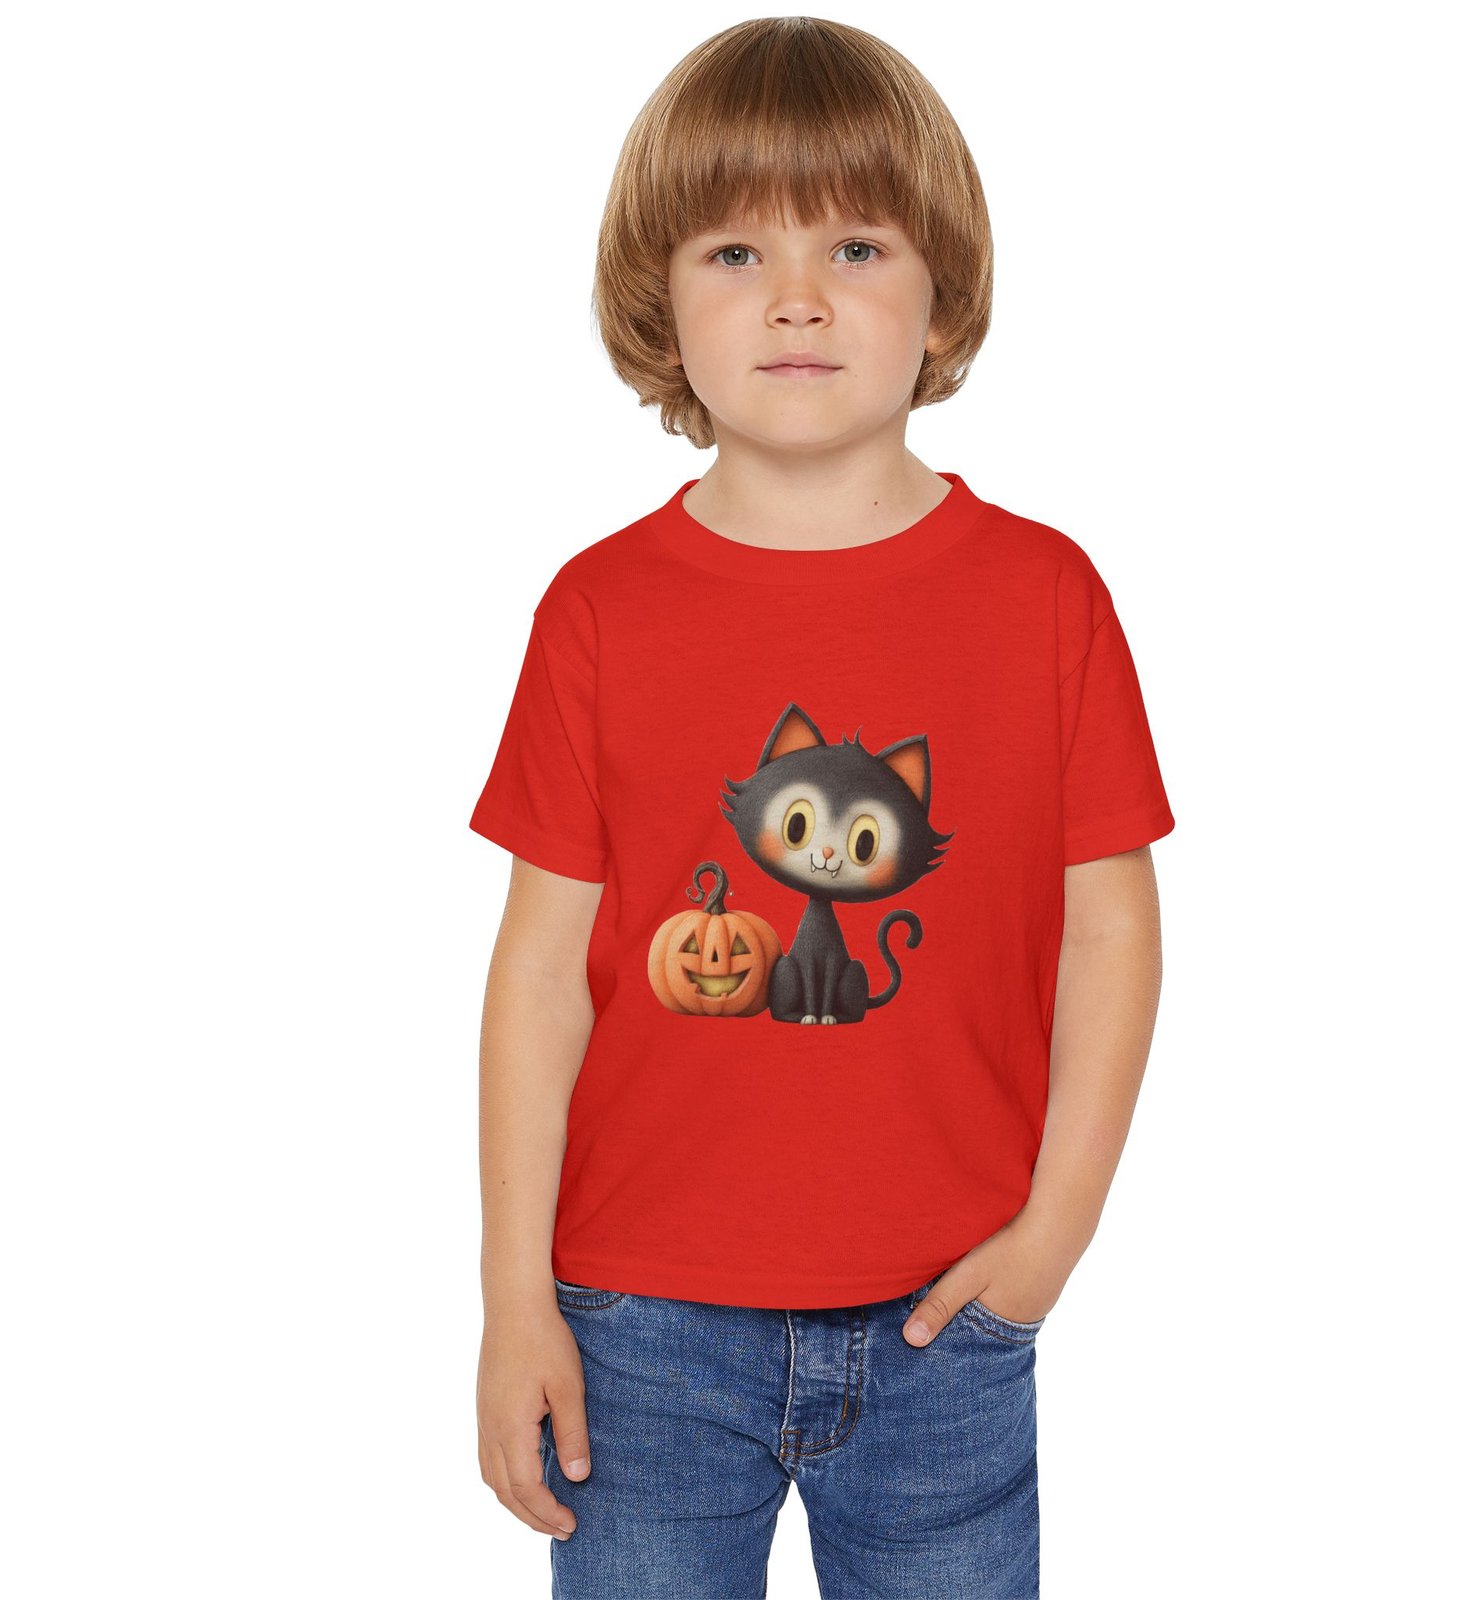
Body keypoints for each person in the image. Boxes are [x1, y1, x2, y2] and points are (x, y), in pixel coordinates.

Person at [470, 17, 1174, 1598]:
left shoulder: (1044, 599)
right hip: (636, 1325)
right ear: (660, 298)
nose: (796, 296)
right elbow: (539, 974)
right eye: (736, 250)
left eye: (855, 244)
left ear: (943, 293)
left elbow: (1111, 934)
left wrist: (1052, 1240)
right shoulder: (599, 611)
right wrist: (516, 1299)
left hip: (948, 1318)